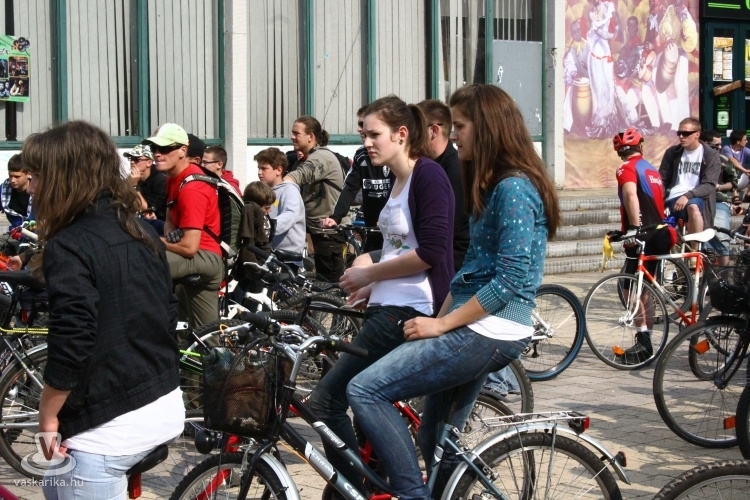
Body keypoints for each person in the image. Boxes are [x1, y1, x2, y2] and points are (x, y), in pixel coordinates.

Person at [346, 84, 560, 500]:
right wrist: (437, 319)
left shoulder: (514, 187)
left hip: (493, 329)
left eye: (460, 126)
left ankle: (413, 495)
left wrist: (442, 325)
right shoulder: (491, 184)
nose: (452, 134)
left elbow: (510, 279)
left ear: (488, 127)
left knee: (364, 390)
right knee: (436, 441)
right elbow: (469, 273)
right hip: (476, 323)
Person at [21, 121, 183, 499]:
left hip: (108, 429)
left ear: (62, 178)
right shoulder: (138, 230)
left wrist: (47, 417)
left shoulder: (70, 244)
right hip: (161, 401)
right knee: (54, 488)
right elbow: (167, 312)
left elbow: (73, 340)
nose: (30, 188)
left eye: (36, 176)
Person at [308, 94, 454, 496]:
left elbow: (431, 252)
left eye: (374, 134)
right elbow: (398, 249)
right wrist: (371, 284)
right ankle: (372, 484)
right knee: (361, 404)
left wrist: (369, 273)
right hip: (386, 305)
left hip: (410, 309)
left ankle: (357, 487)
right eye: (363, 135)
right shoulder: (397, 178)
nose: (367, 143)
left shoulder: (428, 175)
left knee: (327, 400)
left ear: (401, 134)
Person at [146, 123, 223, 328]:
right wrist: (169, 235)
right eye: (154, 148)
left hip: (204, 256)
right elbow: (170, 220)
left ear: (182, 151)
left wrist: (153, 240)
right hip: (196, 255)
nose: (157, 154)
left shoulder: (192, 188)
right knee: (203, 335)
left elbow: (189, 247)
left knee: (140, 262)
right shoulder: (173, 179)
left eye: (164, 148)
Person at [613, 127, 673, 364]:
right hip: (660, 233)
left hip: (643, 235)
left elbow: (630, 195)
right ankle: (647, 342)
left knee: (630, 288)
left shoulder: (626, 168)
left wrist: (633, 228)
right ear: (640, 146)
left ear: (620, 152)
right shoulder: (651, 169)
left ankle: (643, 342)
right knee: (645, 288)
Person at [320, 105, 395, 253]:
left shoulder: (394, 155)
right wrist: (336, 217)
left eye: (362, 124)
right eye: (360, 124)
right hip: (372, 229)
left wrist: (389, 219)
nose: (359, 129)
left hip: (394, 230)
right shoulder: (361, 155)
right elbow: (349, 187)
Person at [283, 116, 346, 282]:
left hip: (328, 232)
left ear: (310, 136)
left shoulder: (321, 157)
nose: (292, 137)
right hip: (314, 230)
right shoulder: (307, 157)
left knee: (330, 285)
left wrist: (281, 186)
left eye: (296, 133)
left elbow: (301, 175)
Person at [417, 99, 470, 271]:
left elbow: (449, 228)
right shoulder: (426, 165)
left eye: (417, 129)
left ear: (434, 131)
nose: (411, 136)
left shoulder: (454, 170)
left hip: (451, 264)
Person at [659, 117, 720, 259]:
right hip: (673, 196)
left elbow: (709, 184)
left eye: (686, 133)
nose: (681, 136)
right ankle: (673, 257)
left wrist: (687, 195)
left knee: (693, 208)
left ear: (697, 134)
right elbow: (662, 179)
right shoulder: (672, 152)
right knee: (660, 229)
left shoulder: (710, 155)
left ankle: (694, 252)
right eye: (679, 133)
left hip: (697, 196)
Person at [256, 147, 306, 270]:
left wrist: (269, 227)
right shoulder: (264, 191)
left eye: (264, 168)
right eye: (258, 168)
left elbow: (290, 214)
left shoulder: (289, 190)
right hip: (270, 253)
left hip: (287, 255)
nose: (259, 172)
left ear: (279, 170)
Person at [231, 181, 275, 303]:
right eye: (267, 207)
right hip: (251, 267)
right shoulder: (251, 217)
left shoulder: (262, 218)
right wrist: (255, 268)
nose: (269, 211)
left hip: (259, 264)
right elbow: (248, 244)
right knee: (239, 301)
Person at [702, 130, 739, 266]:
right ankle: (705, 274)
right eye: (715, 145)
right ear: (704, 144)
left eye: (720, 145)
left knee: (721, 238)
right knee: (702, 241)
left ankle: (724, 274)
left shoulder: (723, 159)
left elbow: (733, 183)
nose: (719, 148)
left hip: (719, 201)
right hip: (697, 201)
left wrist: (718, 187)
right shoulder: (694, 159)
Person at [124, 144, 167, 221]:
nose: (132, 162)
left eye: (137, 159)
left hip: (157, 223)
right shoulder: (131, 178)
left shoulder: (161, 180)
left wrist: (134, 186)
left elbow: (146, 209)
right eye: (131, 159)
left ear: (149, 162)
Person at [1, 154, 33, 229]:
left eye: (17, 177)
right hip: (16, 232)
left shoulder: (40, 190)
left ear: (28, 174)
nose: (12, 180)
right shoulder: (3, 190)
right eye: (10, 176)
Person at [721, 129, 750, 195]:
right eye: (745, 140)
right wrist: (745, 171)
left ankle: (748, 195)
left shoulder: (745, 150)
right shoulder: (726, 148)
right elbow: (732, 161)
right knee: (731, 170)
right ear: (738, 142)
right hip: (727, 182)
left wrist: (748, 172)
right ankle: (735, 195)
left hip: (740, 180)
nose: (747, 141)